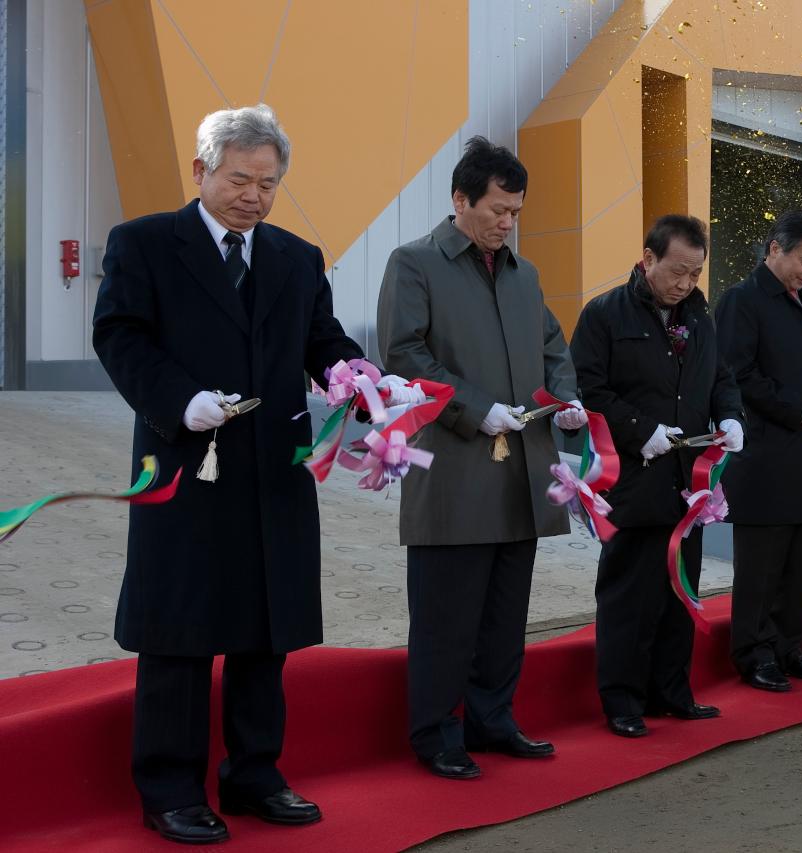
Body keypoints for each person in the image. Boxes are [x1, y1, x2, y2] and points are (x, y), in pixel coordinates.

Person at [93, 104, 420, 844]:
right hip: (187, 463)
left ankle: (254, 772)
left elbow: (322, 339)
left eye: (268, 183)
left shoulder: (295, 256)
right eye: (240, 179)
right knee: (178, 630)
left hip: (274, 464)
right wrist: (180, 399)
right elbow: (118, 333)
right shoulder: (145, 244)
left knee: (262, 630)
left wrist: (356, 375)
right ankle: (171, 786)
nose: (254, 196)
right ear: (202, 170)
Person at [377, 136, 588, 780]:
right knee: (447, 613)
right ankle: (436, 733)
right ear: (459, 199)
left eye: (516, 212)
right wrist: (474, 408)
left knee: (504, 610)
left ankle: (493, 720)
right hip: (453, 468)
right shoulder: (414, 264)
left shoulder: (525, 276)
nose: (507, 223)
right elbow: (403, 355)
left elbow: (553, 345)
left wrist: (568, 400)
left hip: (522, 467)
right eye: (497, 209)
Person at [570, 214, 744, 738]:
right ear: (648, 259)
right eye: (677, 271)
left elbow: (721, 377)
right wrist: (638, 429)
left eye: (695, 273)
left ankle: (672, 690)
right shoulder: (605, 314)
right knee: (629, 594)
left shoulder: (700, 318)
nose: (686, 283)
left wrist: (731, 414)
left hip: (687, 482)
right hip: (631, 476)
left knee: (679, 588)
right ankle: (622, 700)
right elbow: (588, 389)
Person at [715, 211, 802, 692]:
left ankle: (789, 646)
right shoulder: (743, 300)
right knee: (762, 565)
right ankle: (753, 653)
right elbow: (738, 374)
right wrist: (797, 407)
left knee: (800, 562)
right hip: (767, 457)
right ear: (774, 248)